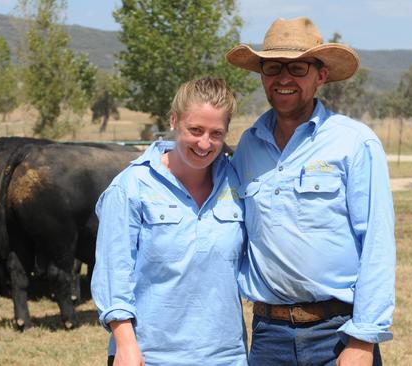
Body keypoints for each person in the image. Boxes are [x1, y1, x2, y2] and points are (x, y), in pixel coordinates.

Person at [226, 17, 395, 365]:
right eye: (273, 67)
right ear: (262, 75)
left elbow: (377, 244)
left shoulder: (353, 143)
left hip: (337, 334)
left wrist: (363, 340)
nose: (284, 78)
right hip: (268, 336)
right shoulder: (248, 146)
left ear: (320, 76)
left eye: (298, 68)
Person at [91, 77, 248, 366]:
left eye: (216, 133)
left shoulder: (236, 182)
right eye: (196, 130)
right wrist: (126, 345)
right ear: (174, 121)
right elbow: (113, 273)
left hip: (227, 356)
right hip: (150, 355)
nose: (205, 143)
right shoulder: (132, 187)